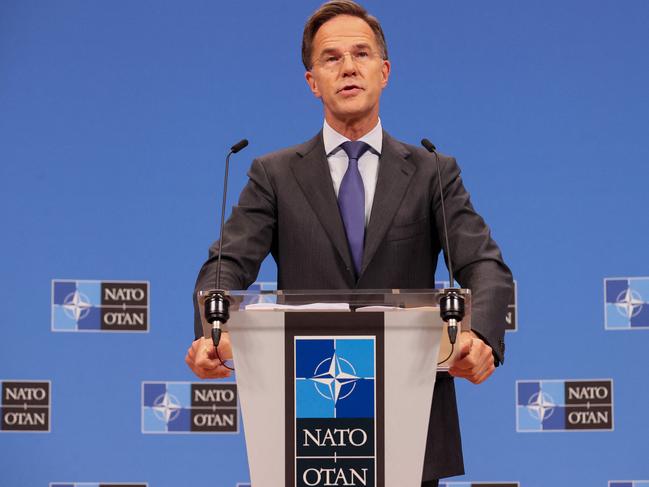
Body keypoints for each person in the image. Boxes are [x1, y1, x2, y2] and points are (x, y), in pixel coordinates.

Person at [185, 1, 513, 485]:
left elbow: (485, 267)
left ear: (384, 72)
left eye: (361, 54)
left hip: (410, 413)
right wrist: (211, 335)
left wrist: (480, 336)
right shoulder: (273, 175)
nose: (348, 67)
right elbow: (224, 268)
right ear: (312, 82)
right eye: (331, 58)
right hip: (306, 419)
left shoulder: (431, 172)